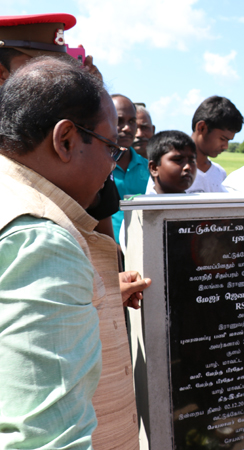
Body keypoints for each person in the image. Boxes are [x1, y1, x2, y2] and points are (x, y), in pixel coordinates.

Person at [0, 58, 146, 449]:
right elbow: (44, 439)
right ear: (65, 140)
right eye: (111, 148)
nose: (112, 169)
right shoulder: (43, 242)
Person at [0, 13, 119, 238]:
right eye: (43, 68)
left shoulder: (84, 141)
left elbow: (103, 241)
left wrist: (95, 106)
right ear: (1, 73)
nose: (59, 77)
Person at [111, 94, 150, 245]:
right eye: (119, 121)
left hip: (143, 247)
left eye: (132, 121)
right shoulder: (94, 167)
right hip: (108, 252)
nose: (127, 128)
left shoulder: (148, 168)